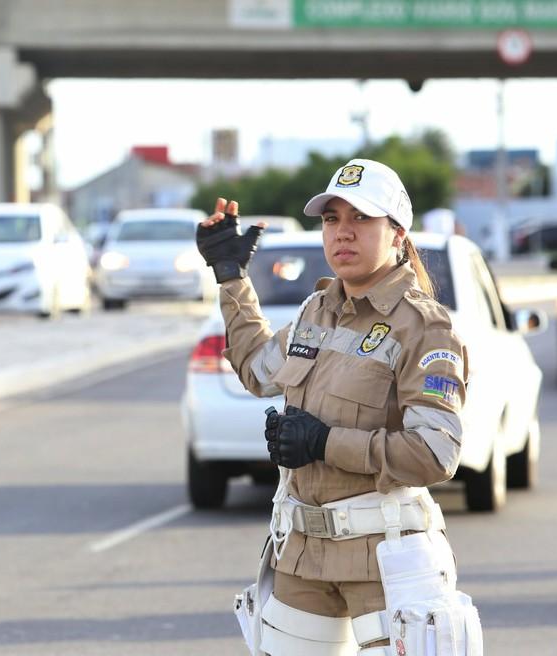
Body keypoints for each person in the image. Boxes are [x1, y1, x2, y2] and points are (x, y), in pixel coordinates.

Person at [197, 159, 483, 655]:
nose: (342, 233)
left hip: (386, 561)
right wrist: (231, 278)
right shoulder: (317, 310)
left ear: (396, 233)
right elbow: (258, 371)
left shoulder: (426, 328)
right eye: (332, 220)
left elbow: (436, 453)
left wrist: (324, 442)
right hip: (302, 559)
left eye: (360, 219)